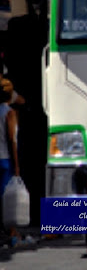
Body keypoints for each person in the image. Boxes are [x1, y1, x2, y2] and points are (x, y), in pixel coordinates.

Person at [0, 79, 20, 247]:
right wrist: (17, 164)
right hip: (5, 159)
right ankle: (12, 233)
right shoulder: (9, 113)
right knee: (8, 198)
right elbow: (12, 140)